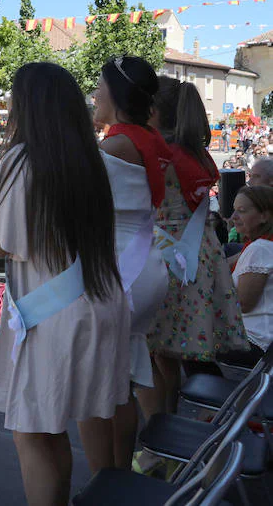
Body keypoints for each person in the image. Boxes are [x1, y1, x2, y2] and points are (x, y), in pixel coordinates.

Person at [0, 62, 130, 505]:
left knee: (32, 433)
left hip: (53, 314)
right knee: (50, 426)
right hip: (95, 300)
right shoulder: (90, 158)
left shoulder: (21, 158)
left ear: (29, 106)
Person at [140, 78, 247, 427]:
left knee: (150, 353)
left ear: (153, 111)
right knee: (167, 353)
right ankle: (167, 427)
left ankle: (158, 436)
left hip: (165, 253)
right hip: (198, 253)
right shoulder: (198, 154)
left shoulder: (160, 155)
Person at [91, 55, 171, 469]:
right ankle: (121, 472)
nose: (94, 94)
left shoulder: (116, 144)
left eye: (99, 86)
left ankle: (111, 479)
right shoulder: (146, 138)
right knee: (120, 384)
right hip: (142, 261)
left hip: (123, 268)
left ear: (116, 93)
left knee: (104, 391)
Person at [219, 186, 273, 366]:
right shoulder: (258, 246)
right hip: (256, 340)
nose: (234, 217)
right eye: (234, 210)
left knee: (185, 339)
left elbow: (244, 304)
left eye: (241, 211)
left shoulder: (259, 249)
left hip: (254, 343)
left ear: (264, 216)